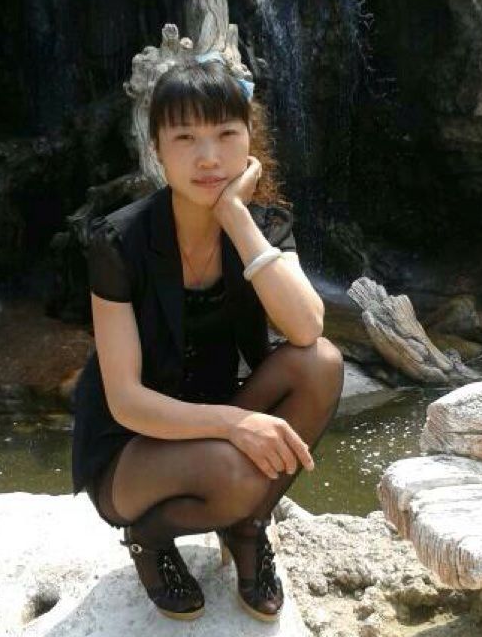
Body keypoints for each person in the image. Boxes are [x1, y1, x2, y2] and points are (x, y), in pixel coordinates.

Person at [71, 57, 344, 623]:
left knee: (320, 362)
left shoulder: (261, 224)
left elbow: (307, 328)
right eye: (185, 138)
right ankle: (149, 538)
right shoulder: (118, 243)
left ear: (249, 139)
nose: (208, 157)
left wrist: (235, 216)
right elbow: (125, 400)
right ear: (156, 148)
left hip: (215, 422)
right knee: (235, 469)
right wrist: (235, 423)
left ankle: (246, 526)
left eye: (225, 134)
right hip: (132, 450)